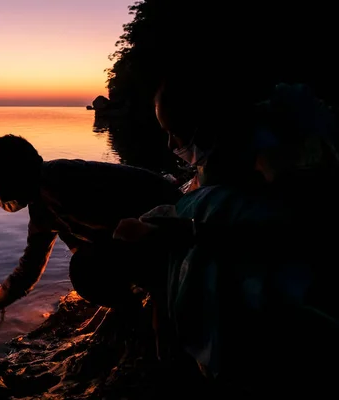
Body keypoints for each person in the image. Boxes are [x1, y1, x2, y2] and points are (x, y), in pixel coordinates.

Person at [114, 80, 339, 396]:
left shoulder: (272, 153)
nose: (169, 145)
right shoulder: (221, 151)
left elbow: (292, 233)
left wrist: (186, 230)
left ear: (204, 123)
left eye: (175, 131)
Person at [0, 134, 182, 341]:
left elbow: (126, 230)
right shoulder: (42, 202)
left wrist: (159, 310)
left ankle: (138, 313)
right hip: (151, 230)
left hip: (174, 223)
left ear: (12, 177)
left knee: (84, 270)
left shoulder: (62, 185)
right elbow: (28, 272)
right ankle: (131, 304)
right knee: (85, 257)